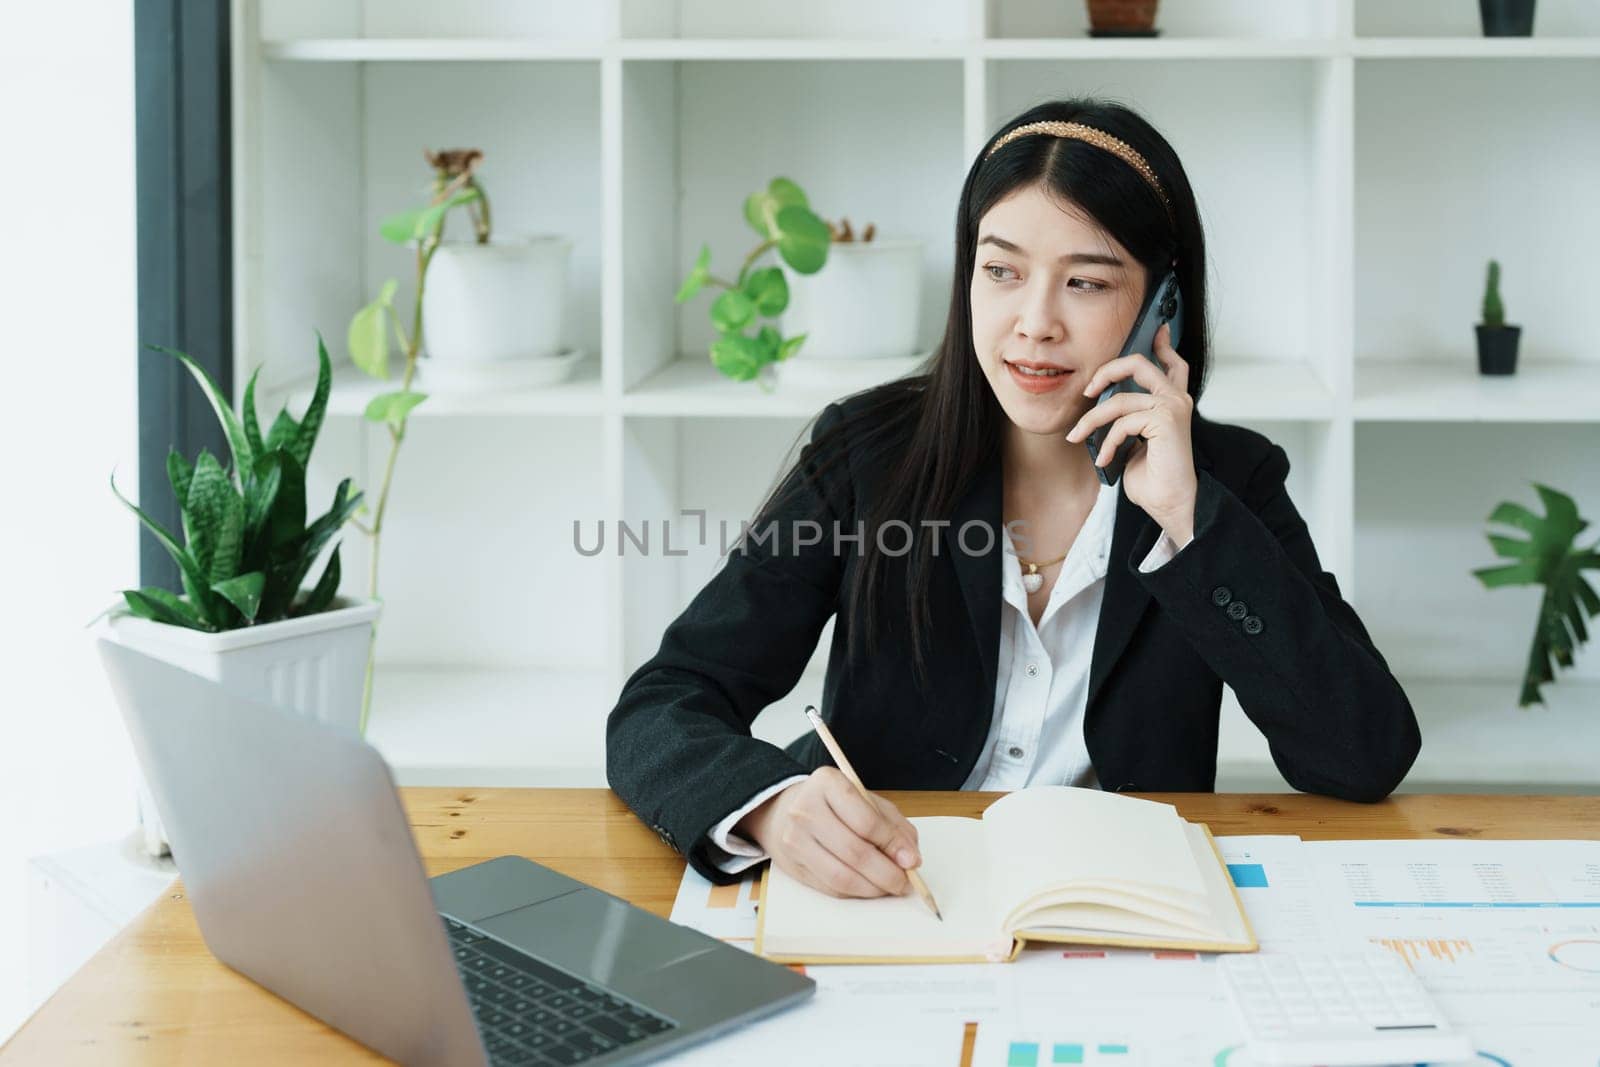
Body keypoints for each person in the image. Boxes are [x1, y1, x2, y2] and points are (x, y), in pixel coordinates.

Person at [605, 97, 1420, 902]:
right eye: (1002, 271)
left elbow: (1364, 755)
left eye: (1087, 283)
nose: (1034, 324)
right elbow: (662, 705)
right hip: (890, 904)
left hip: (1117, 916)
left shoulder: (1225, 482)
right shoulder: (868, 452)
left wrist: (1185, 516)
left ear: (1161, 306)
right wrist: (774, 808)